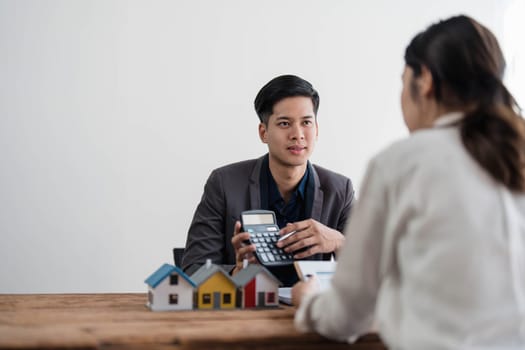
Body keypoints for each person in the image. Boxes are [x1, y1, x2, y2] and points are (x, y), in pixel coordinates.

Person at [292, 15, 525, 349]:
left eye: (404, 81)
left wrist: (308, 301)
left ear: (425, 79)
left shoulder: (402, 163)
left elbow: (345, 315)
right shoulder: (516, 154)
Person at [182, 74, 355, 286]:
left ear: (316, 129)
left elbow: (371, 273)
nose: (298, 134)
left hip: (307, 313)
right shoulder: (224, 184)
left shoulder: (340, 189)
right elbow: (193, 270)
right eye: (284, 123)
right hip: (245, 313)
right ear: (263, 132)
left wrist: (338, 241)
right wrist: (238, 272)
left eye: (306, 123)